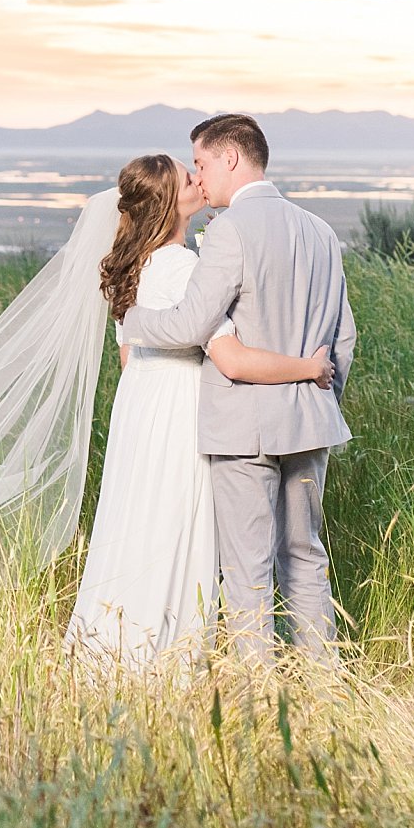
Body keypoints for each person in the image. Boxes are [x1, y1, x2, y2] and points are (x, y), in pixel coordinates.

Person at [62, 153, 332, 673]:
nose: (199, 179)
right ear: (170, 200)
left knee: (139, 523)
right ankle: (167, 661)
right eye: (189, 178)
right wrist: (306, 367)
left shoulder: (133, 266)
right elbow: (229, 358)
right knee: (180, 529)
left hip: (140, 412)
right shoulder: (183, 267)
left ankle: (116, 647)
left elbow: (127, 358)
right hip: (182, 412)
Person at [121, 114, 356, 666]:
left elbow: (189, 325)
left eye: (201, 163)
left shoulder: (229, 230)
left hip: (242, 431)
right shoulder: (320, 230)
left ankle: (257, 699)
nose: (199, 178)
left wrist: (131, 321)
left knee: (247, 572)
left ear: (230, 159)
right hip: (310, 423)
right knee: (305, 557)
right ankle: (321, 688)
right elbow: (343, 336)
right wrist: (320, 398)